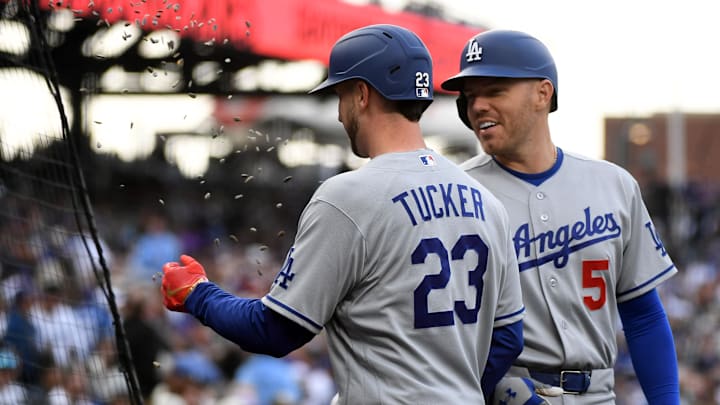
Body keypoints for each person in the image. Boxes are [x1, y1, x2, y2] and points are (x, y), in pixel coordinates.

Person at [160, 24, 526, 404]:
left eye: (340, 96)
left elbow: (274, 330)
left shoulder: (347, 196)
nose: (339, 114)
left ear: (362, 94)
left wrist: (197, 294)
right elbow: (508, 337)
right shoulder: (486, 201)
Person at [440, 29, 680, 404]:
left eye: (494, 91)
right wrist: (491, 387)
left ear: (542, 93)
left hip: (599, 394)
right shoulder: (454, 195)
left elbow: (643, 315)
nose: (478, 106)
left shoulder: (613, 184)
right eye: (470, 97)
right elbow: (438, 332)